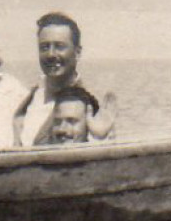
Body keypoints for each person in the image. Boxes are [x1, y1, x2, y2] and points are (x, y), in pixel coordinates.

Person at [15, 11, 117, 146]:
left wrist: (99, 138)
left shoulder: (90, 106)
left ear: (77, 52)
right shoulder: (29, 99)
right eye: (44, 47)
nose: (51, 54)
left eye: (59, 46)